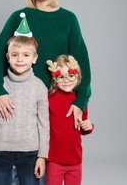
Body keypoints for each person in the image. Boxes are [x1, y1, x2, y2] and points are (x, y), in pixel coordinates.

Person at [0, 0, 91, 129]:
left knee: (60, 154)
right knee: (26, 153)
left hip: (59, 99)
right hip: (23, 98)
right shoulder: (19, 17)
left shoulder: (68, 19)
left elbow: (81, 60)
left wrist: (81, 99)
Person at [0, 16, 49, 185]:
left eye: (26, 55)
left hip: (30, 153)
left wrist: (42, 155)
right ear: (8, 57)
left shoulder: (39, 87)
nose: (20, 59)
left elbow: (43, 124)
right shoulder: (0, 86)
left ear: (34, 58)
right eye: (15, 55)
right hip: (1, 153)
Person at [46, 55, 94, 185]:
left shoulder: (80, 101)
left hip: (75, 160)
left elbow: (82, 129)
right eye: (61, 76)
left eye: (71, 75)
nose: (66, 80)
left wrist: (89, 126)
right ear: (55, 79)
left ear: (78, 77)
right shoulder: (48, 99)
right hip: (54, 160)